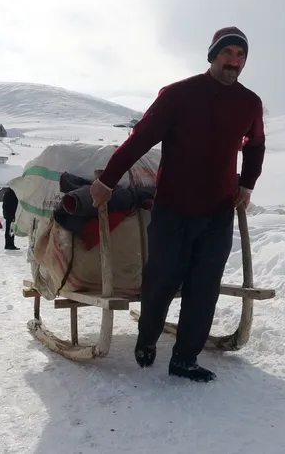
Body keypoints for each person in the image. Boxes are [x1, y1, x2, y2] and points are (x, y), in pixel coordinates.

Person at [90, 26, 266, 382]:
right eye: (228, 53)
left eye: (240, 55)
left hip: (217, 212)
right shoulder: (179, 95)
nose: (234, 61)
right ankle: (147, 340)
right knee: (161, 282)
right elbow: (139, 140)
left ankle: (185, 358)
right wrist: (107, 180)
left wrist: (247, 183)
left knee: (205, 288)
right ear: (213, 55)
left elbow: (255, 145)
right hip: (173, 209)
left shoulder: (249, 103)